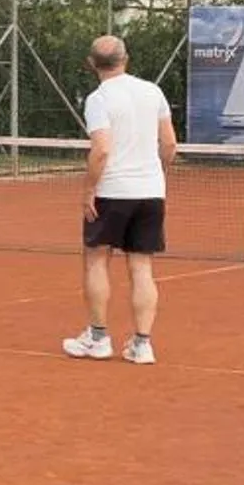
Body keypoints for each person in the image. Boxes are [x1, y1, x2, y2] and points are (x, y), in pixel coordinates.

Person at [64, 34, 178, 366]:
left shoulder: (99, 99)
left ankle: (98, 338)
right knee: (141, 266)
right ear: (125, 59)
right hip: (150, 193)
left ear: (91, 64)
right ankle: (142, 344)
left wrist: (88, 191)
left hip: (112, 193)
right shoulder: (152, 91)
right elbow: (169, 144)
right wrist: (154, 174)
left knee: (96, 260)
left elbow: (101, 150)